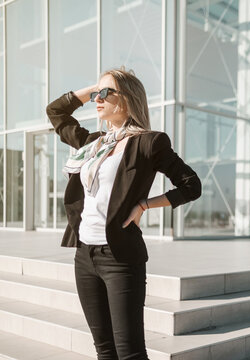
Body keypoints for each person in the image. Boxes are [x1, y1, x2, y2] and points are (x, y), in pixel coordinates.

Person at [45, 66, 202, 360]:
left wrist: (144, 205)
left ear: (128, 98)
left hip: (120, 258)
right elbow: (56, 112)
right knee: (104, 350)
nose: (97, 99)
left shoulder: (149, 142)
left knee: (129, 353)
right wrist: (95, 87)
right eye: (96, 94)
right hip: (84, 256)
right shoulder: (93, 143)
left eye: (106, 93)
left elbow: (191, 185)